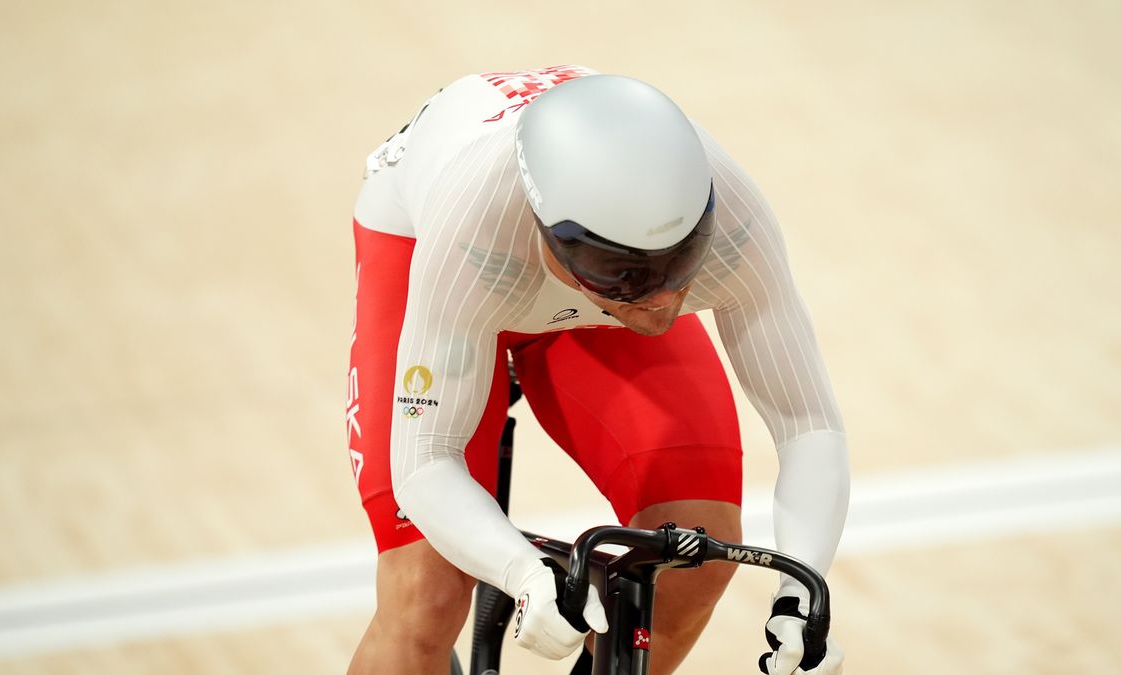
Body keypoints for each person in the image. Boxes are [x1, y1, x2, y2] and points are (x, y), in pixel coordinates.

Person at [344, 65, 849, 675]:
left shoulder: (727, 220)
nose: (663, 301)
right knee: (425, 595)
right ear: (552, 236)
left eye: (680, 263)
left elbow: (807, 425)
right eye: (628, 273)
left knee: (696, 551)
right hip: (444, 262)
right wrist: (521, 573)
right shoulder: (470, 226)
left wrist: (802, 591)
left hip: (588, 301)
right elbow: (425, 462)